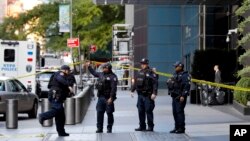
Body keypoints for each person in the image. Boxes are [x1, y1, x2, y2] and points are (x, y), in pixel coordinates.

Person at [38, 65, 73, 136]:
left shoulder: (64, 75)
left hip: (58, 96)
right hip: (55, 95)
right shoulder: (59, 74)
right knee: (57, 109)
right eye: (68, 71)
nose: (69, 72)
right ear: (65, 70)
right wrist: (68, 86)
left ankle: (61, 132)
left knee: (61, 116)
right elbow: (60, 79)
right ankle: (43, 116)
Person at [85, 61, 118, 133]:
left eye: (104, 68)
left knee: (109, 113)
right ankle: (99, 128)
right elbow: (94, 73)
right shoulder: (101, 74)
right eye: (103, 68)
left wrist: (111, 98)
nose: (103, 69)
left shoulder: (113, 77)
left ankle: (109, 128)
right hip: (101, 97)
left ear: (108, 68)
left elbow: (113, 88)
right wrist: (89, 67)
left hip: (108, 98)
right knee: (99, 113)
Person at [131, 58, 158, 132]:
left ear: (147, 64)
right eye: (142, 64)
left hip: (148, 95)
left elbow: (155, 83)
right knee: (140, 111)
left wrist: (154, 93)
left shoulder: (151, 72)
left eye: (144, 64)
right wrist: (132, 91)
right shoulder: (139, 72)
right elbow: (136, 82)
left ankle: (150, 126)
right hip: (140, 95)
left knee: (148, 110)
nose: (142, 65)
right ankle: (142, 126)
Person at [166, 61, 191, 134]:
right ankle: (176, 127)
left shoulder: (185, 75)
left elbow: (187, 86)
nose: (175, 67)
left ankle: (181, 128)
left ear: (180, 67)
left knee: (179, 112)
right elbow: (170, 82)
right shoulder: (175, 74)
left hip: (180, 97)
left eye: (176, 66)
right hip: (174, 96)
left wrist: (183, 95)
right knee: (175, 112)